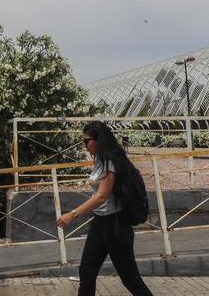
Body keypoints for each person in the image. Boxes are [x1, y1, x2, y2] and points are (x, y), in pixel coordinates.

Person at [55, 121, 152, 296]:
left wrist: (72, 214)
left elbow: (101, 196)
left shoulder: (111, 162)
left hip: (116, 225)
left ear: (99, 139)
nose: (85, 146)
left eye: (86, 141)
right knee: (86, 272)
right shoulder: (100, 160)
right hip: (100, 223)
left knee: (129, 278)